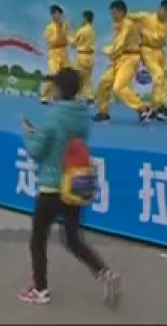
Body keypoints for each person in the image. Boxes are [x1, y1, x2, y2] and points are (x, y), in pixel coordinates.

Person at [19, 68, 120, 305]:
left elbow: (37, 150)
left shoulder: (53, 116)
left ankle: (40, 289)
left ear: (58, 89)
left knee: (38, 238)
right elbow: (64, 142)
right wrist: (41, 134)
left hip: (52, 187)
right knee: (73, 238)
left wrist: (29, 134)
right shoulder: (82, 116)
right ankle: (104, 272)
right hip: (75, 184)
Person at [93, 0, 153, 123]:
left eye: (114, 13)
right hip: (120, 59)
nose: (112, 16)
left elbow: (120, 44)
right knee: (104, 83)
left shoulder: (127, 24)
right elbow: (117, 44)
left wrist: (106, 50)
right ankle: (103, 112)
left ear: (121, 12)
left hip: (130, 59)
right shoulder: (118, 25)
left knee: (119, 87)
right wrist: (109, 51)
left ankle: (142, 109)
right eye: (111, 13)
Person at [128, 0, 167, 119]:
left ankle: (162, 104)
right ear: (159, 8)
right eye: (163, 10)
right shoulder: (145, 17)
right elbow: (128, 18)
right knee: (158, 75)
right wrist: (136, 33)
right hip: (147, 50)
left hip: (160, 51)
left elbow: (165, 38)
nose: (164, 14)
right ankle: (157, 106)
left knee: (163, 76)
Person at [41, 5, 70, 105]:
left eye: (57, 14)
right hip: (54, 52)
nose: (55, 16)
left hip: (63, 52)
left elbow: (68, 38)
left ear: (60, 15)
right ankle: (45, 97)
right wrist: (58, 34)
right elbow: (49, 40)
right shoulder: (49, 27)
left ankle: (64, 96)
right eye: (53, 14)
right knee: (53, 74)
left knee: (68, 73)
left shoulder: (65, 26)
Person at [69, 10, 96, 104]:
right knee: (87, 78)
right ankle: (90, 97)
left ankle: (75, 97)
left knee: (77, 77)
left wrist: (69, 34)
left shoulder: (82, 30)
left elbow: (73, 43)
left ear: (85, 18)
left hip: (82, 56)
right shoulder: (92, 31)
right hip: (91, 57)